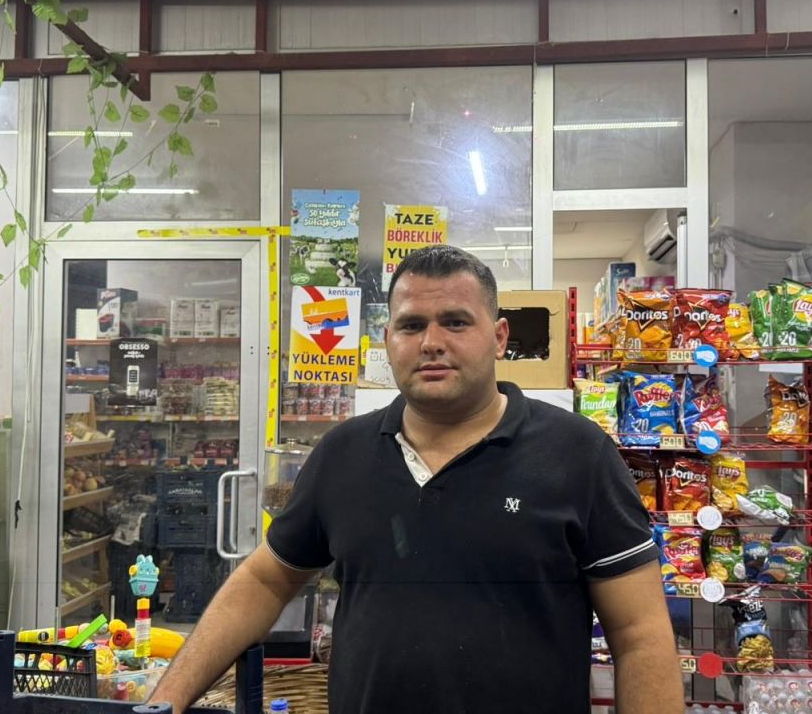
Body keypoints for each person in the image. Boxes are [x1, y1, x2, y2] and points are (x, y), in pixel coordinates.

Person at [150, 245, 683, 713]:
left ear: (499, 337)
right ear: (388, 340)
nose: (431, 342)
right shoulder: (342, 454)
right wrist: (164, 702)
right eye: (411, 325)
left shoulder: (578, 454)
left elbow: (639, 636)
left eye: (456, 322)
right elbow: (265, 581)